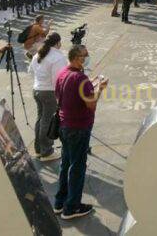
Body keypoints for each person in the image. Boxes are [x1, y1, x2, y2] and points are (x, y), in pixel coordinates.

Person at [54, 44, 109, 219]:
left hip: (64, 125)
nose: (87, 57)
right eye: (84, 55)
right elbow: (91, 104)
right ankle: (72, 207)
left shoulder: (63, 73)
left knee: (65, 164)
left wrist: (90, 84)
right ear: (77, 58)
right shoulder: (80, 79)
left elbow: (63, 94)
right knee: (77, 167)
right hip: (79, 127)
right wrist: (99, 88)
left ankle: (60, 201)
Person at [28, 32, 66, 161]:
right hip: (49, 92)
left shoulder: (38, 54)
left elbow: (31, 72)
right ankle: (47, 152)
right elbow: (58, 80)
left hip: (37, 90)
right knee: (47, 121)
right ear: (58, 43)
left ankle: (39, 149)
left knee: (40, 119)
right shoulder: (58, 57)